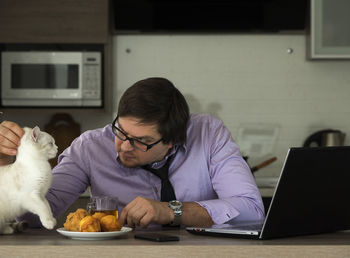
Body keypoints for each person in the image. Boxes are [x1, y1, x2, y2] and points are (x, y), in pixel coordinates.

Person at [0, 77, 265, 228]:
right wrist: (7, 170)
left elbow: (251, 208)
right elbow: (28, 216)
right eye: (121, 131)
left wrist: (171, 210)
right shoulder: (89, 147)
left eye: (142, 141)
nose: (124, 146)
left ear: (173, 140)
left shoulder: (209, 133)